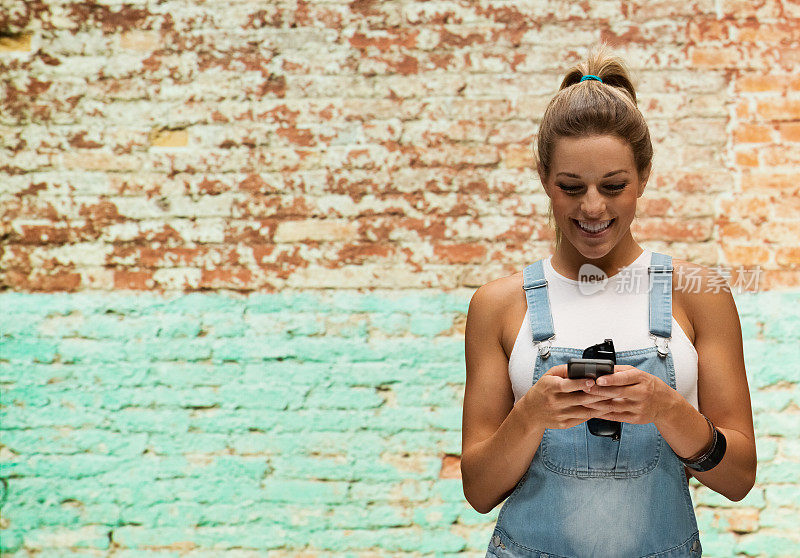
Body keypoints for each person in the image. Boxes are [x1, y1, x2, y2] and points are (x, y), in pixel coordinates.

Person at [461, 45, 757, 558]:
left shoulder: (699, 295)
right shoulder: (497, 306)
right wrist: (532, 414)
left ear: (643, 178)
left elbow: (740, 478)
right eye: (571, 187)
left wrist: (667, 409)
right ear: (544, 182)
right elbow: (479, 491)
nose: (592, 207)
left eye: (614, 186)